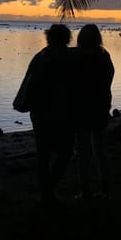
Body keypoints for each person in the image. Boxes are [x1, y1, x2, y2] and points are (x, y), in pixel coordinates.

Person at [20, 23, 75, 206]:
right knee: (65, 152)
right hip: (63, 112)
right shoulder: (70, 57)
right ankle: (49, 189)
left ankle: (46, 191)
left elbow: (28, 83)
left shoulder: (41, 56)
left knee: (43, 154)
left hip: (41, 112)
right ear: (67, 38)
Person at [73, 24, 114, 200]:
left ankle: (86, 190)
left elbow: (71, 82)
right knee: (99, 149)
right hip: (101, 107)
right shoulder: (104, 56)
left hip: (83, 108)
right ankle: (105, 187)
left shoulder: (77, 57)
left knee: (83, 151)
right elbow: (109, 79)